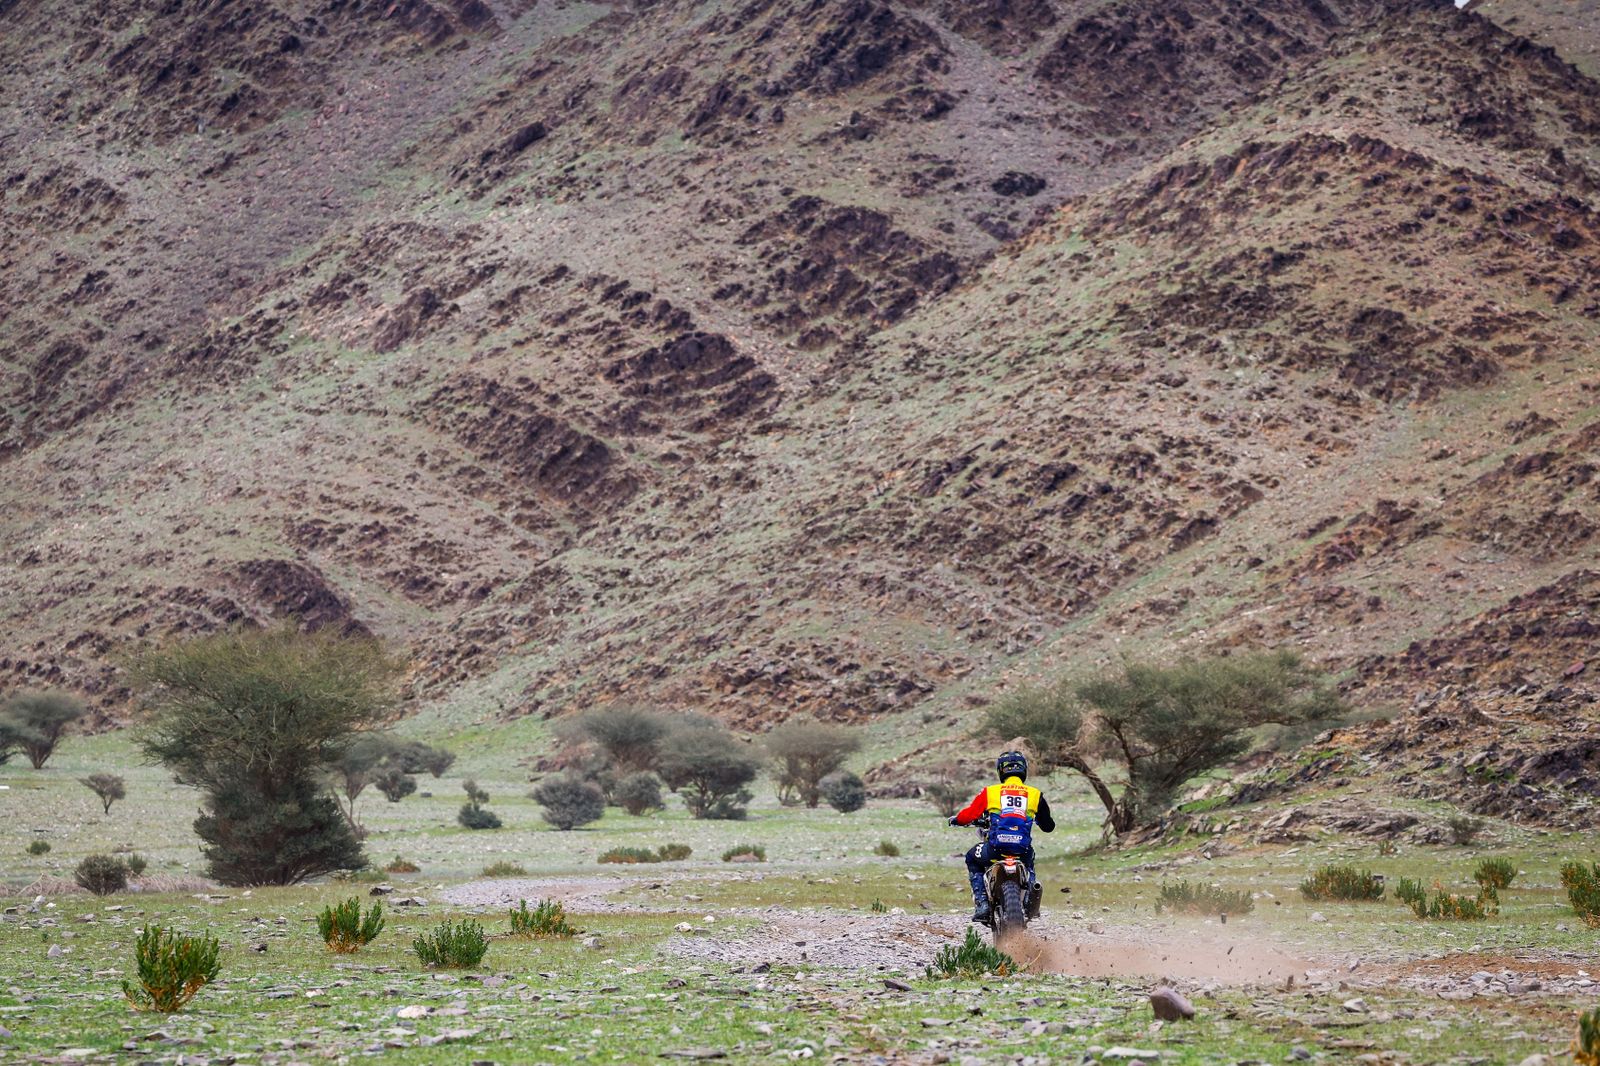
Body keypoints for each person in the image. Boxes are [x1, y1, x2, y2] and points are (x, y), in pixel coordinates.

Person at [947, 750, 1054, 923]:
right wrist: (1040, 821)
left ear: (1000, 771)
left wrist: (957, 820)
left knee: (971, 857)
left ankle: (982, 903)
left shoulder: (991, 792)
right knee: (1029, 859)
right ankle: (1030, 899)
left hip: (995, 849)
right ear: (1024, 770)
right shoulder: (1035, 794)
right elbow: (1048, 826)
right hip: (1022, 849)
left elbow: (968, 815)